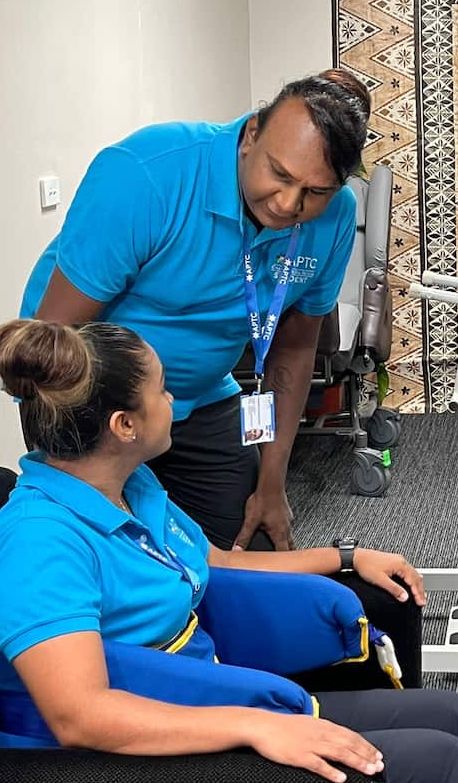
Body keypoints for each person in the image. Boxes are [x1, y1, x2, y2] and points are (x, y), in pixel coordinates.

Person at [0, 318, 458, 783]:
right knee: (442, 772)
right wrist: (256, 726)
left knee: (449, 714)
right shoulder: (37, 544)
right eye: (161, 390)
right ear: (125, 426)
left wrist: (346, 558)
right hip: (123, 776)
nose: (173, 400)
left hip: (207, 704)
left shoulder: (131, 487)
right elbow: (80, 715)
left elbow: (219, 565)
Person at [21, 69, 372, 554]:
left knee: (253, 545)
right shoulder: (148, 173)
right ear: (251, 135)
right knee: (117, 564)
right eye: (281, 175)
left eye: (315, 192)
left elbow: (292, 349)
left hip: (203, 394)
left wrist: (273, 480)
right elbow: (53, 334)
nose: (289, 203)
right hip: (93, 397)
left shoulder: (333, 219)